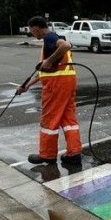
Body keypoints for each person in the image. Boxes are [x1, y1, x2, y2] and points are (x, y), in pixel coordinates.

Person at [16, 16, 83, 167]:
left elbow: (65, 46)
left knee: (49, 120)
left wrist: (49, 60)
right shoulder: (52, 40)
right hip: (67, 84)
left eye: (32, 31)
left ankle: (47, 155)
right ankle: (74, 154)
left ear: (35, 28)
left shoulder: (50, 38)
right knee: (68, 120)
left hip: (56, 87)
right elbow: (46, 71)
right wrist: (27, 86)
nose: (33, 34)